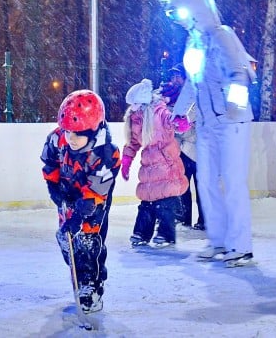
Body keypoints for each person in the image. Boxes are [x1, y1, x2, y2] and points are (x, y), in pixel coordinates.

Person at [157, 0, 256, 267]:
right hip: (208, 125)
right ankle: (219, 240)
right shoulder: (194, 43)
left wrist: (233, 109)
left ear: (196, 10)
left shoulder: (222, 36)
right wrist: (180, 113)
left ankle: (241, 246)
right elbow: (193, 82)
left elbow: (240, 74)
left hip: (232, 123)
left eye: (180, 12)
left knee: (233, 182)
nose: (178, 19)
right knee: (207, 181)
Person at [40, 89, 120, 314]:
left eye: (78, 134)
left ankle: (91, 286)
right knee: (68, 239)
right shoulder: (58, 138)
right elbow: (50, 163)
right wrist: (53, 187)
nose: (71, 139)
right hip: (66, 194)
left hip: (93, 199)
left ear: (93, 130)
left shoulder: (106, 154)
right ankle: (76, 261)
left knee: (88, 240)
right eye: (68, 133)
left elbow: (96, 191)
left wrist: (80, 215)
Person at [121, 78, 189, 247]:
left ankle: (166, 234)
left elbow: (173, 122)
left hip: (166, 164)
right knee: (147, 202)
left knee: (165, 202)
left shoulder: (159, 112)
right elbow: (132, 143)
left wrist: (181, 122)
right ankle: (141, 232)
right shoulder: (135, 118)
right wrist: (126, 160)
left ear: (143, 102)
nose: (132, 107)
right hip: (149, 166)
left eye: (135, 103)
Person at [160, 63, 205, 230]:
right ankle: (184, 217)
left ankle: (204, 220)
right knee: (183, 186)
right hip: (182, 151)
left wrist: (179, 129)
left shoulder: (194, 98)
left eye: (177, 76)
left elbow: (186, 126)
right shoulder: (173, 99)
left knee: (201, 187)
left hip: (196, 150)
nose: (174, 80)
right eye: (173, 76)